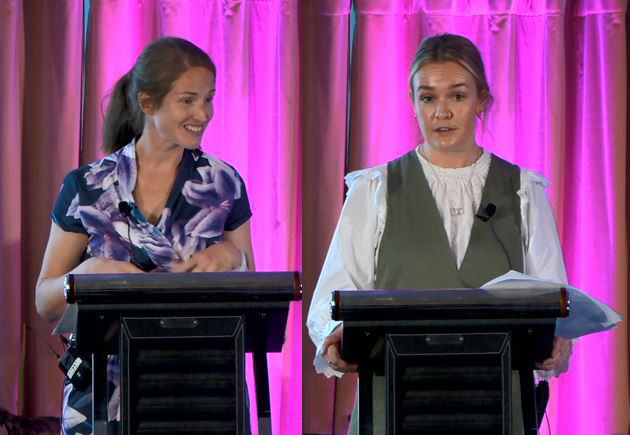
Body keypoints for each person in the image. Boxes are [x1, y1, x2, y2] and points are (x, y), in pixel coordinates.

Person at [306, 33, 572, 434]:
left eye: (457, 96)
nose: (441, 112)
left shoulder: (523, 192)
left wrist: (557, 342)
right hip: (394, 399)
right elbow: (331, 298)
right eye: (428, 98)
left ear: (481, 100)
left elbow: (554, 299)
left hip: (495, 400)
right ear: (413, 104)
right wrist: (335, 336)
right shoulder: (375, 190)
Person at [36, 37, 254, 434]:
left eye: (208, 98)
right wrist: (87, 272)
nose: (203, 113)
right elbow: (45, 301)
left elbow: (253, 289)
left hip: (204, 389)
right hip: (105, 393)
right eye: (188, 100)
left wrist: (232, 258)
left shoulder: (224, 182)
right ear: (148, 102)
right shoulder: (87, 185)